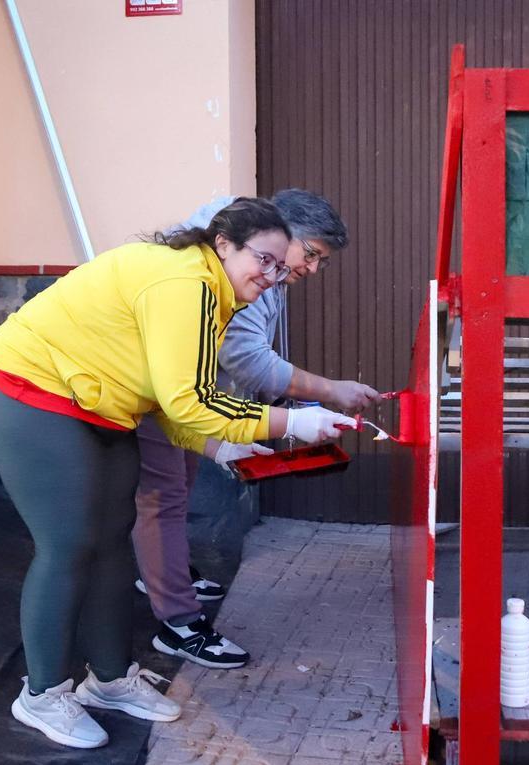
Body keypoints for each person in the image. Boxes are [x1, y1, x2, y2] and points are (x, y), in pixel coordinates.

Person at [0, 197, 356, 749]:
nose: (272, 276)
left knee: (111, 542)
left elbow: (164, 396)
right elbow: (189, 400)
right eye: (263, 260)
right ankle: (43, 694)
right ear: (224, 244)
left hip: (100, 404)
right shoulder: (184, 283)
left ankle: (108, 680)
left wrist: (219, 449)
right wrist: (291, 422)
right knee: (69, 545)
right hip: (28, 390)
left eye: (278, 265)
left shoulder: (215, 292)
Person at [132, 189, 378, 670]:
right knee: (161, 495)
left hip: (173, 392)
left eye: (321, 262)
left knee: (175, 486)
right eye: (311, 254)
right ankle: (178, 623)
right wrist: (315, 402)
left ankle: (166, 575)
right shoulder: (210, 274)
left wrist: (243, 431)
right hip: (145, 391)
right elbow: (241, 360)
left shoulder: (250, 262)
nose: (311, 270)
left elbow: (217, 374)